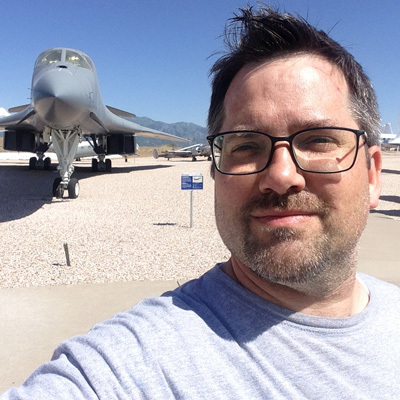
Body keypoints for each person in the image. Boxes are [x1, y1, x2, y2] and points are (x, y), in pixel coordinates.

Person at [2, 5, 400, 399]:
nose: (281, 176)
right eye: (245, 145)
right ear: (215, 171)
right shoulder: (126, 363)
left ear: (371, 173)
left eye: (318, 140)